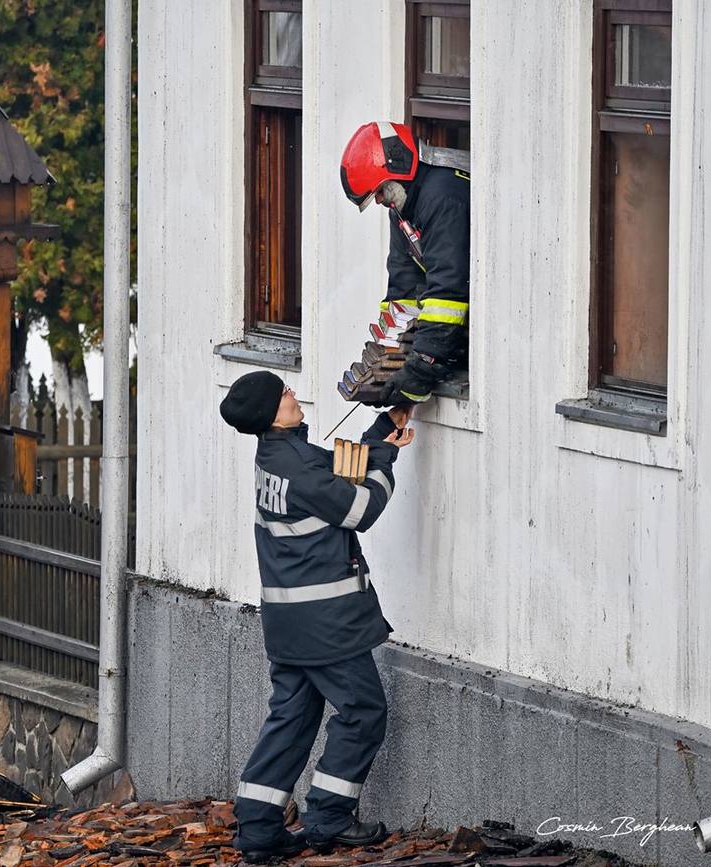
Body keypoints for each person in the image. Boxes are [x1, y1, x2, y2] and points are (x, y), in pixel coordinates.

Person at [219, 370, 414, 863]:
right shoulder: (299, 467)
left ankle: (259, 827)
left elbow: (332, 471)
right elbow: (361, 508)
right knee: (363, 711)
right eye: (282, 392)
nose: (291, 393)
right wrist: (387, 457)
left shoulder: (275, 458)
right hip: (326, 623)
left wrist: (375, 435)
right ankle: (328, 817)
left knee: (292, 717)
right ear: (270, 412)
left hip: (288, 622)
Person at [340, 121, 470, 405]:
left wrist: (422, 366)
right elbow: (404, 285)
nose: (378, 202)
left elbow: (448, 295)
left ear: (397, 170)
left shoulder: (443, 198)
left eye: (379, 193)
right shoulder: (401, 204)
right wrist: (386, 355)